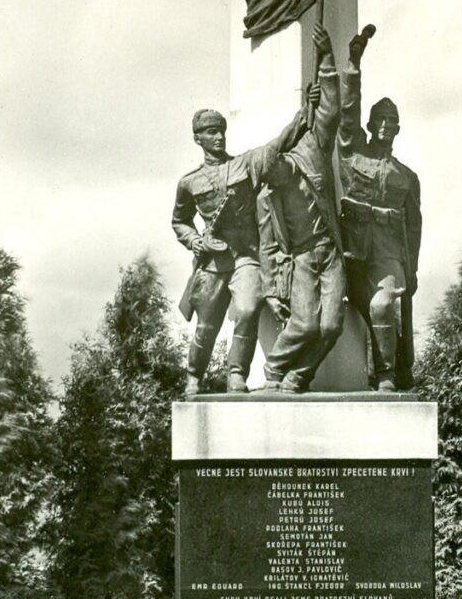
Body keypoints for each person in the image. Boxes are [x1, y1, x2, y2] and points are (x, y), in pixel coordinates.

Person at [172, 101, 306, 397]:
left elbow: (276, 147)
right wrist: (195, 241)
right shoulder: (189, 183)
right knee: (206, 325)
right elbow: (180, 222)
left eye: (221, 131)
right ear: (198, 138)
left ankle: (236, 374)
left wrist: (303, 116)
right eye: (210, 132)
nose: (218, 137)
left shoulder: (244, 164)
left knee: (247, 310)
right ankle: (194, 375)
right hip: (213, 262)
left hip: (246, 256)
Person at [257, 24, 345, 392]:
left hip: (330, 251)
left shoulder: (313, 152)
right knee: (306, 324)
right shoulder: (267, 197)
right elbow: (266, 247)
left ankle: (299, 376)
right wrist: (272, 290)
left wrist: (326, 58)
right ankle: (274, 371)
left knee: (331, 325)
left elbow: (331, 110)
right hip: (303, 259)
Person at [338, 26, 422, 391]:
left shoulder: (406, 177)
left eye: (392, 122)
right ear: (370, 125)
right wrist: (354, 63)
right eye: (381, 120)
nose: (386, 126)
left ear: (398, 128)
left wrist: (412, 270)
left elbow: (414, 229)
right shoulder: (353, 152)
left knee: (383, 306)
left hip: (388, 251)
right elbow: (346, 109)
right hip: (352, 248)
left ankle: (387, 374)